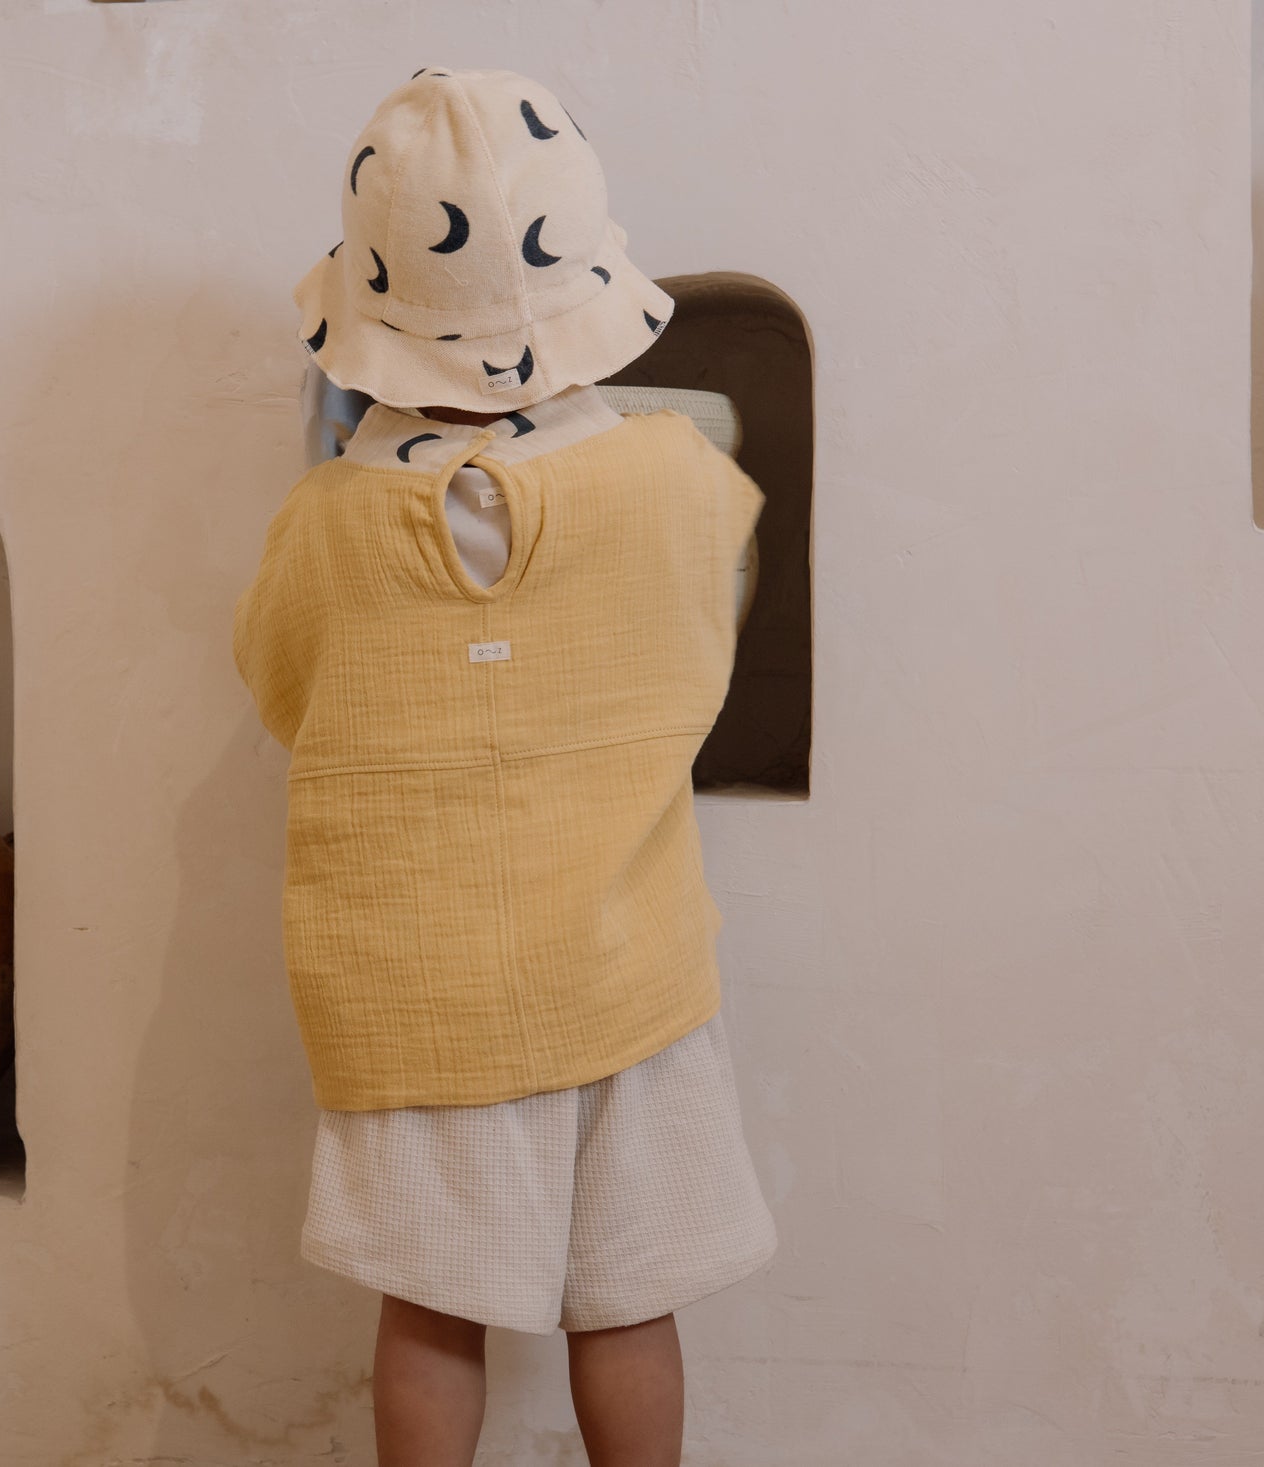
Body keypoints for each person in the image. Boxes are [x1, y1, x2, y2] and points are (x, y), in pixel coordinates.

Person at [232, 67, 776, 1467]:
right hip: (627, 964)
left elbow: (287, 689)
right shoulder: (680, 477)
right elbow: (708, 638)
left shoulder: (325, 523)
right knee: (629, 1300)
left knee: (430, 1311)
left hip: (412, 986)